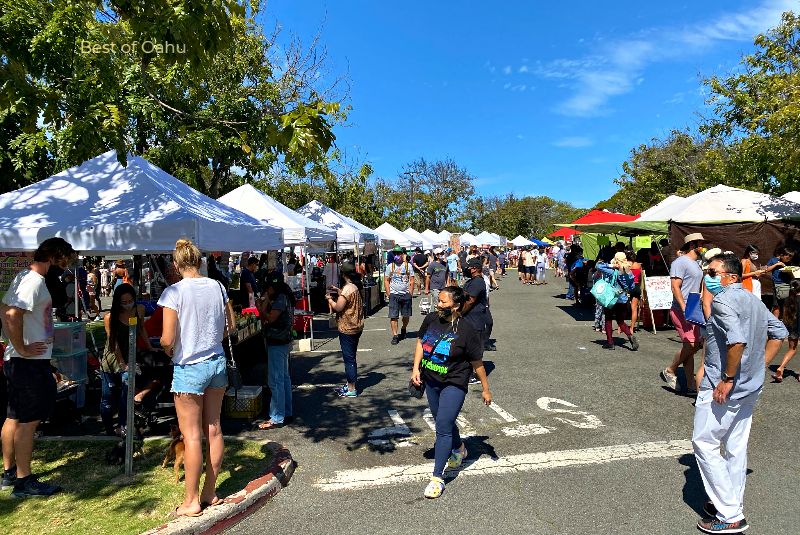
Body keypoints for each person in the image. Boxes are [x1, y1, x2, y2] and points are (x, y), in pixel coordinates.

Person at [692, 253, 787, 534]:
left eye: (712, 271)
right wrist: (760, 365)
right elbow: (778, 332)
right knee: (735, 445)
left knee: (705, 443)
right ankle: (730, 502)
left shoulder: (723, 301)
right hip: (750, 386)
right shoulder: (752, 300)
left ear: (730, 277)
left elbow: (736, 341)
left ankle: (731, 513)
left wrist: (728, 378)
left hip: (726, 386)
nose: (708, 276)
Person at [158, 239, 234, 517]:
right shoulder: (217, 286)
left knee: (191, 437)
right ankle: (210, 491)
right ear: (200, 261)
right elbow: (230, 325)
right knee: (214, 429)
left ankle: (191, 501)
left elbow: (167, 337)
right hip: (216, 363)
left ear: (176, 265)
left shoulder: (173, 292)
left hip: (189, 366)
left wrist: (169, 349)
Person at [1, 237, 75, 498]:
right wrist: (21, 347)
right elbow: (11, 314)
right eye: (64, 261)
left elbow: (4, 307)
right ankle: (24, 481)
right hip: (27, 362)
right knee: (27, 422)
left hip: (22, 361)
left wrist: (14, 345)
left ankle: (10, 473)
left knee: (14, 416)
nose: (64, 267)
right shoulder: (33, 280)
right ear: (54, 257)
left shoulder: (25, 276)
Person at [410, 286, 492, 499]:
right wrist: (415, 368)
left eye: (443, 302)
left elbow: (478, 363)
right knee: (442, 420)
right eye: (439, 301)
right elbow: (421, 342)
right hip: (432, 381)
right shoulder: (431, 320)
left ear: (456, 305)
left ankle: (437, 478)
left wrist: (485, 389)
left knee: (443, 426)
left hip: (454, 382)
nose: (438, 305)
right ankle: (460, 448)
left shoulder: (467, 330)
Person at [100, 283, 158, 436]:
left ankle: (123, 425)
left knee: (126, 392)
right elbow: (114, 343)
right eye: (123, 302)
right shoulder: (110, 317)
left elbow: (142, 329)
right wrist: (121, 363)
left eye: (130, 301)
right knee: (109, 396)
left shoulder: (139, 310)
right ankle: (108, 429)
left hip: (130, 356)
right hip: (112, 359)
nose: (127, 305)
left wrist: (150, 347)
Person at [661, 233, 705, 394]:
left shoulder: (696, 263)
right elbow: (675, 287)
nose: (704, 247)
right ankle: (671, 369)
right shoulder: (680, 262)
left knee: (691, 345)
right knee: (692, 344)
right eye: (701, 244)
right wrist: (683, 306)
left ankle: (690, 384)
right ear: (693, 245)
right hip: (682, 309)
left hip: (694, 307)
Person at [257, 275, 295, 429]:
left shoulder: (280, 299)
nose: (267, 291)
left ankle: (277, 417)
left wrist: (261, 307)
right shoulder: (284, 296)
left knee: (276, 380)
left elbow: (270, 319)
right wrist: (265, 302)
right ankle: (286, 412)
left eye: (268, 288)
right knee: (283, 378)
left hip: (278, 342)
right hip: (282, 342)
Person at [327, 268, 364, 398]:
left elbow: (338, 307)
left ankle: (352, 388)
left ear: (344, 275)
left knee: (349, 359)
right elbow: (347, 296)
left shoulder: (348, 288)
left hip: (348, 328)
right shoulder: (354, 286)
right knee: (352, 357)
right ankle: (350, 384)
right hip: (356, 326)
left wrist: (330, 300)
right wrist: (338, 291)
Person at [595, 253, 639, 351]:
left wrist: (612, 265)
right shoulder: (629, 272)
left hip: (610, 297)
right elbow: (631, 287)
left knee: (608, 319)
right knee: (621, 321)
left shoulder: (612, 271)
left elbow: (598, 265)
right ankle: (630, 336)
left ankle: (610, 342)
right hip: (622, 298)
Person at [462, 257, 495, 354]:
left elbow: (470, 301)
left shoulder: (477, 281)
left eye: (469, 268)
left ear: (475, 269)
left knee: (474, 351)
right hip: (470, 318)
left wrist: (459, 312)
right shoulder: (471, 281)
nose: (466, 270)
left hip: (474, 319)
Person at [771, 279, 800, 382]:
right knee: (793, 349)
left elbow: (785, 315)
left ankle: (781, 367)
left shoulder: (788, 300)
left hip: (792, 327)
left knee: (792, 349)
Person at [384, 246, 414, 345]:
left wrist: (410, 293)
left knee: (406, 315)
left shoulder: (408, 266)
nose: (397, 255)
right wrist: (389, 293)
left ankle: (403, 328)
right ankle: (395, 335)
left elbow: (412, 280)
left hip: (405, 294)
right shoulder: (390, 266)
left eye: (399, 253)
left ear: (402, 254)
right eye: (395, 253)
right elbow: (386, 280)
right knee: (393, 316)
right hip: (394, 294)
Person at [766, 246, 794, 318]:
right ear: (781, 255)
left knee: (786, 304)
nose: (788, 260)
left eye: (790, 258)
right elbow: (766, 269)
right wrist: (776, 265)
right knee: (776, 305)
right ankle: (776, 321)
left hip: (787, 285)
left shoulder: (789, 263)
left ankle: (786, 321)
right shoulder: (774, 260)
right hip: (777, 285)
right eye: (787, 258)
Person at [627, 249, 643, 332]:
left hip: (628, 286)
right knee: (634, 308)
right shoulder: (639, 265)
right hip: (636, 286)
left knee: (622, 308)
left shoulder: (626, 265)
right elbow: (640, 277)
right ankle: (632, 328)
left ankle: (620, 327)